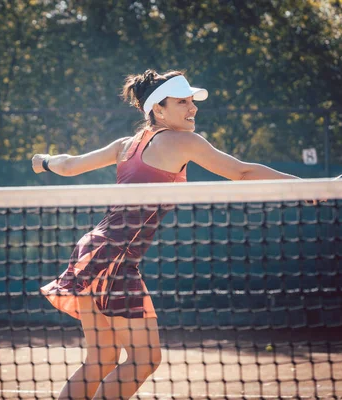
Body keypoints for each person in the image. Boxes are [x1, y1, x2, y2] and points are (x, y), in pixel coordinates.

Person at [31, 69, 298, 400]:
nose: (193, 108)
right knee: (145, 360)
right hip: (114, 256)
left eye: (192, 101)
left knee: (101, 359)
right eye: (182, 102)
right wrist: (304, 185)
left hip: (92, 250)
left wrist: (42, 161)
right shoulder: (181, 140)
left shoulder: (126, 144)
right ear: (158, 108)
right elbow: (241, 172)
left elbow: (69, 165)